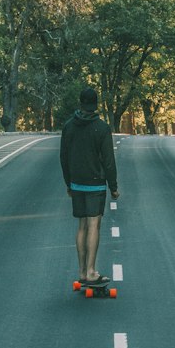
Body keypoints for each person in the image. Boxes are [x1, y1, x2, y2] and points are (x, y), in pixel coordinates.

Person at [60, 85, 119, 284]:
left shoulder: (69, 126)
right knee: (94, 224)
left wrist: (69, 182)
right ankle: (92, 271)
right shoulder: (102, 128)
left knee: (82, 226)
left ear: (80, 103)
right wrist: (114, 187)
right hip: (95, 184)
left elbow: (64, 157)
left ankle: (82, 271)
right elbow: (108, 160)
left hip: (77, 183)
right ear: (96, 105)